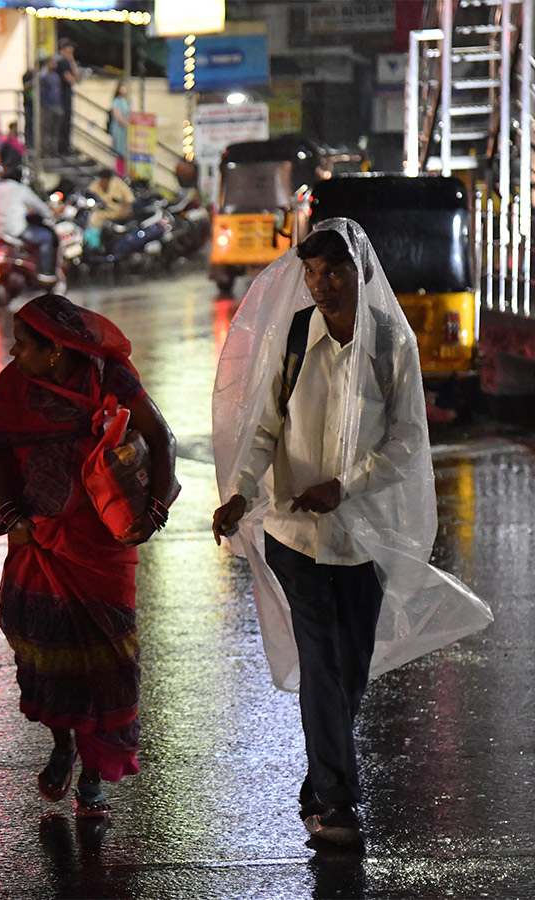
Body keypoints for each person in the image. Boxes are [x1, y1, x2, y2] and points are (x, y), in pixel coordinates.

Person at [210, 219, 493, 846]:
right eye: (312, 274)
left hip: (364, 537)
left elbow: (406, 442)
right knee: (321, 661)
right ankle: (338, 802)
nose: (322, 285)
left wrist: (344, 486)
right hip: (294, 533)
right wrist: (240, 492)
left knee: (350, 668)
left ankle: (321, 776)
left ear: (359, 272)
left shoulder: (392, 344)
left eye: (334, 271)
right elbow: (262, 429)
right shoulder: (293, 339)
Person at [0, 293, 177, 818]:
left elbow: (163, 439)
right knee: (43, 646)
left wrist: (153, 512)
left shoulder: (110, 380)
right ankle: (63, 743)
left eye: (24, 345)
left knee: (109, 658)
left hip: (104, 547)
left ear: (58, 351)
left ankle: (93, 773)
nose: (13, 353)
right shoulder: (14, 386)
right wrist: (9, 515)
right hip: (39, 541)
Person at [0, 167, 58, 283]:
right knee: (46, 237)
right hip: (16, 230)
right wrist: (49, 215)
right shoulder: (20, 189)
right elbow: (39, 206)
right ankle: (45, 272)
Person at [53, 39, 80, 154]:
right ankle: (63, 148)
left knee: (67, 122)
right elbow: (71, 79)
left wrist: (72, 63)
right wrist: (72, 65)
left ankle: (66, 146)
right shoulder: (62, 62)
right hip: (62, 97)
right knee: (64, 123)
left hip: (65, 96)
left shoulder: (66, 62)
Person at [38, 56, 64, 157]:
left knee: (55, 131)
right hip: (47, 106)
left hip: (56, 105)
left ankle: (54, 150)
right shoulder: (42, 75)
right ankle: (45, 151)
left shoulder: (55, 76)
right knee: (46, 130)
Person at [109, 79, 131, 177]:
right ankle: (119, 173)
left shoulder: (127, 101)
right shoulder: (116, 101)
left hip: (127, 131)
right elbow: (118, 118)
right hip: (119, 130)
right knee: (119, 152)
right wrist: (126, 124)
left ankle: (125, 173)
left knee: (126, 152)